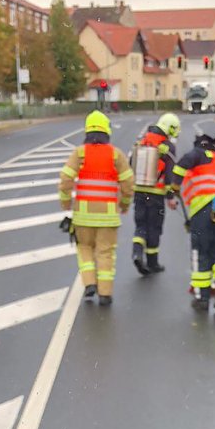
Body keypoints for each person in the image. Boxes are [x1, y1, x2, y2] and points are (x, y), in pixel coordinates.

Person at [59, 110, 134, 306]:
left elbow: (66, 179)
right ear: (107, 131)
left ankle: (89, 283)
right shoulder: (116, 155)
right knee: (105, 252)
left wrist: (66, 205)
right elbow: (128, 184)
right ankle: (105, 294)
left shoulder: (80, 153)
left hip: (82, 217)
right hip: (108, 217)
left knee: (84, 249)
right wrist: (125, 204)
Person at [170, 133, 215, 312]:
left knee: (201, 253)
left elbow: (182, 163)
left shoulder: (198, 154)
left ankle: (202, 298)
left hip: (203, 210)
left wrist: (174, 188)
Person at [131, 112, 180, 275]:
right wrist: (170, 196)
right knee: (154, 227)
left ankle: (137, 253)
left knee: (141, 225)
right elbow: (169, 174)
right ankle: (152, 263)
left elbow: (132, 163)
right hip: (155, 194)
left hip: (139, 191)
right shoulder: (167, 146)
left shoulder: (142, 140)